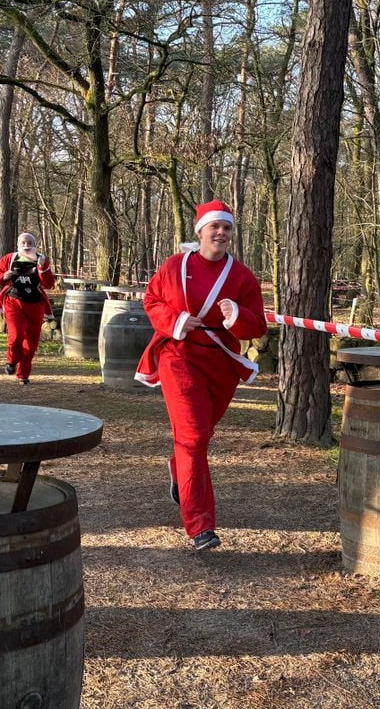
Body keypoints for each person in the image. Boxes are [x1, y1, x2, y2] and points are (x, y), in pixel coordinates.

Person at [136, 200, 267, 551]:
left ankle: (178, 469)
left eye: (227, 229)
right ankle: (200, 525)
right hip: (178, 357)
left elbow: (258, 324)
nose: (222, 233)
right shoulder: (176, 266)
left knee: (198, 437)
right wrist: (177, 320)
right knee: (192, 437)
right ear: (201, 232)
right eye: (215, 228)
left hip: (220, 365)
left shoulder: (241, 276)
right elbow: (151, 299)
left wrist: (236, 314)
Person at [0, 232, 56, 385]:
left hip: (35, 304)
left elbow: (48, 284)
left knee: (31, 344)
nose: (26, 246)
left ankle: (23, 375)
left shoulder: (41, 259)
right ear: (18, 245)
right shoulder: (10, 258)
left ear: (35, 244)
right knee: (16, 335)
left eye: (29, 243)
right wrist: (4, 276)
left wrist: (43, 267)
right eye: (23, 243)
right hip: (14, 302)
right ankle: (12, 361)